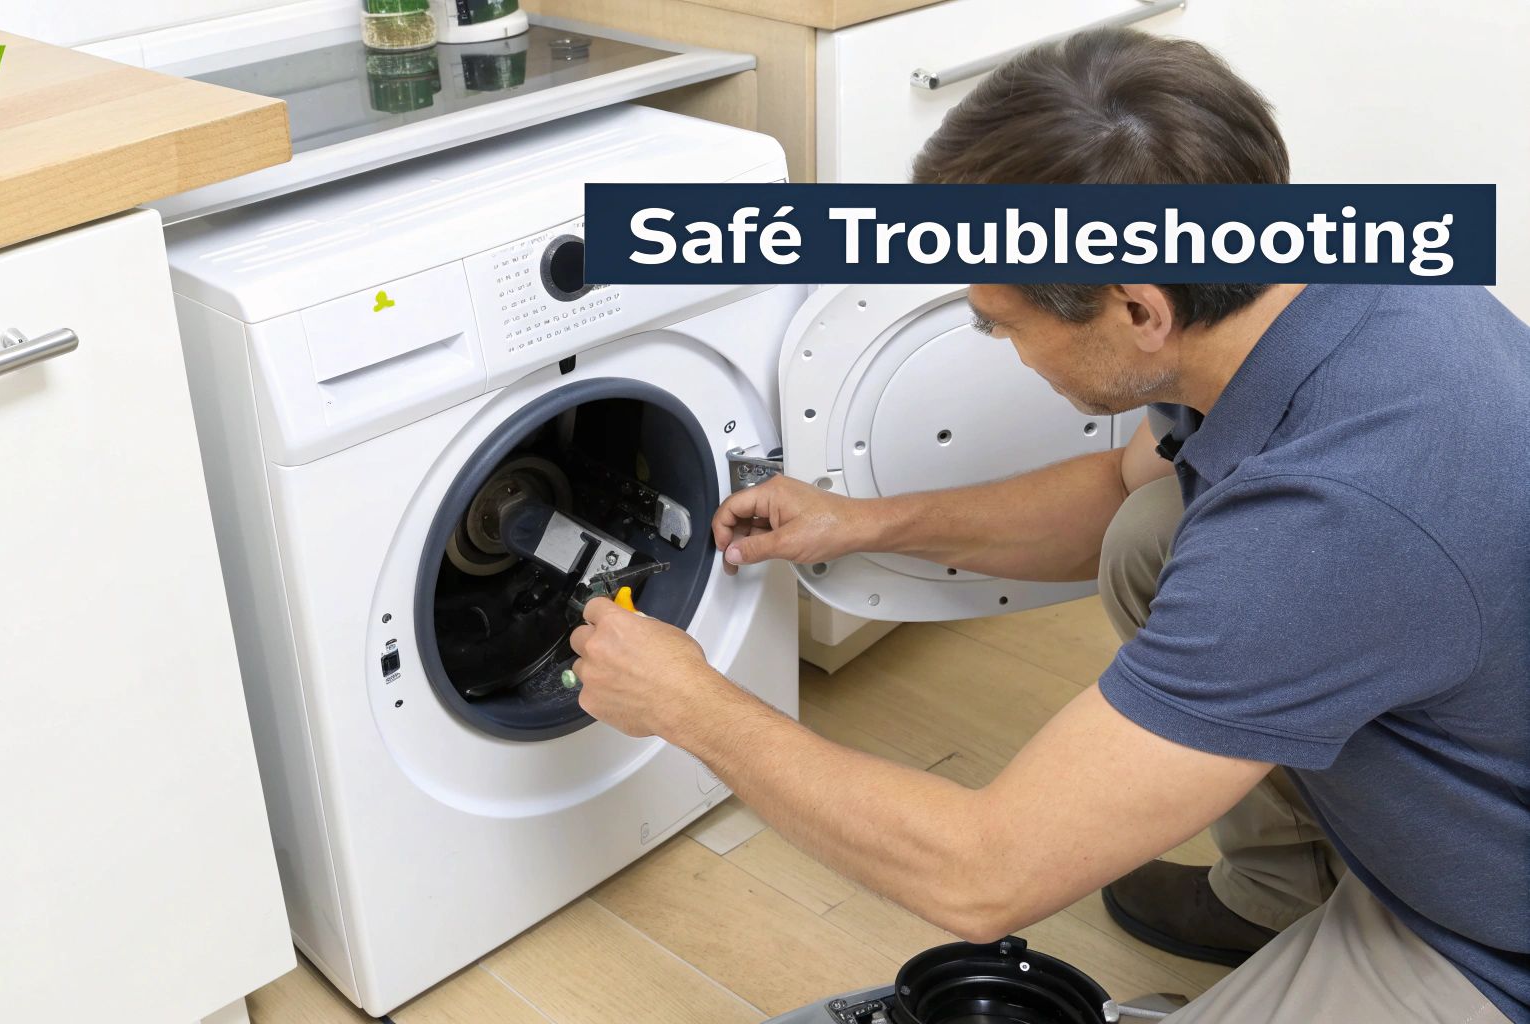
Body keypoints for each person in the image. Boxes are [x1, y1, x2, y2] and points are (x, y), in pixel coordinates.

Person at [568, 27, 1529, 1024]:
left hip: (1491, 937)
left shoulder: (1323, 527)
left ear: (1135, 310)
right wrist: (856, 522)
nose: (1000, 346)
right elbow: (1118, 486)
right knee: (1151, 529)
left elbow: (983, 875)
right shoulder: (1308, 278)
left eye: (1004, 322)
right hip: (1470, 752)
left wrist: (688, 704)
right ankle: (1283, 894)